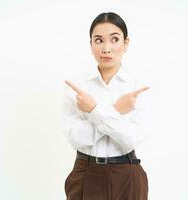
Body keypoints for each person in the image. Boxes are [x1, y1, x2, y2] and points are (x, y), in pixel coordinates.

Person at [63, 12, 150, 200]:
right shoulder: (78, 87)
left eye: (115, 39)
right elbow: (77, 138)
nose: (106, 48)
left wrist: (94, 111)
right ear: (91, 44)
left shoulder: (136, 87)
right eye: (99, 40)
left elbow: (129, 140)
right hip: (86, 172)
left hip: (127, 174)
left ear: (126, 43)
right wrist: (117, 110)